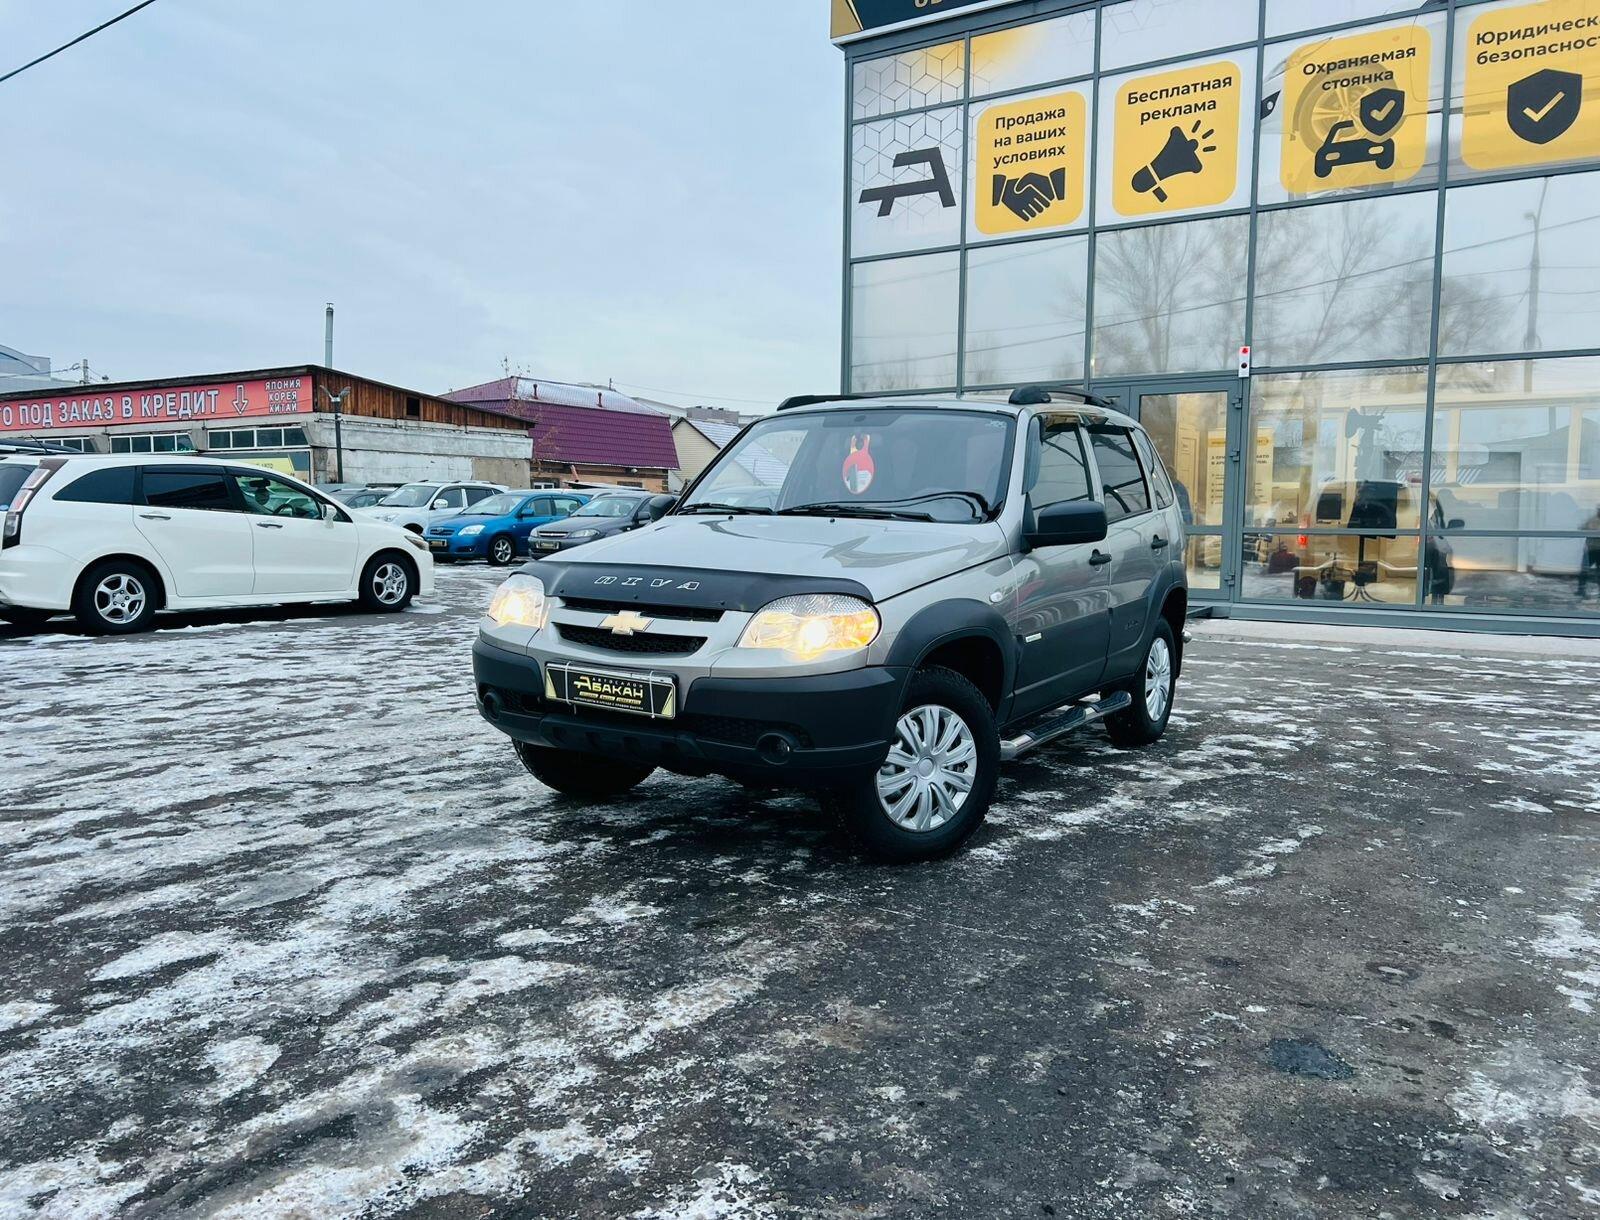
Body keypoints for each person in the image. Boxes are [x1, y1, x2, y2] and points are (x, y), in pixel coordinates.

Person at [1581, 505, 1600, 600]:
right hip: (1591, 549)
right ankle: (1581, 590)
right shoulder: (1592, 520)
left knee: (1598, 571)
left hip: (1597, 550)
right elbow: (1582, 528)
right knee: (1584, 570)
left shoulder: (1592, 520)